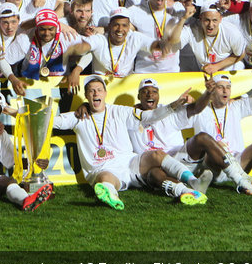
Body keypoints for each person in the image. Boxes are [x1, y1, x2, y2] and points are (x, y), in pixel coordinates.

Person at [54, 75, 208, 210]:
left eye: (99, 90)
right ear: (86, 95)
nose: (96, 93)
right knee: (105, 179)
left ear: (105, 93)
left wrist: (172, 106)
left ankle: (193, 184)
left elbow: (149, 116)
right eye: (91, 91)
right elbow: (53, 122)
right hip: (103, 168)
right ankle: (112, 196)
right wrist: (43, 108)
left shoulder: (120, 111)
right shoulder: (78, 117)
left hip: (130, 163)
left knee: (156, 155)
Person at [130, 77, 252, 196]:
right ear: (138, 96)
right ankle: (190, 189)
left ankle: (241, 179)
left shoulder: (169, 112)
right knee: (154, 175)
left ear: (159, 95)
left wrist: (207, 93)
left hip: (180, 160)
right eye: (145, 92)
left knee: (202, 137)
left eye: (154, 91)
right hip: (155, 166)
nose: (150, 95)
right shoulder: (128, 117)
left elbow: (195, 108)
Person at [20, 8, 90, 81]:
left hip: (60, 84)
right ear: (37, 28)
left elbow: (91, 50)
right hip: (30, 83)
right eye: (42, 29)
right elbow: (9, 59)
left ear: (57, 27)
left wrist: (77, 70)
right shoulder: (26, 38)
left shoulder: (66, 37)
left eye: (50, 29)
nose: (46, 33)